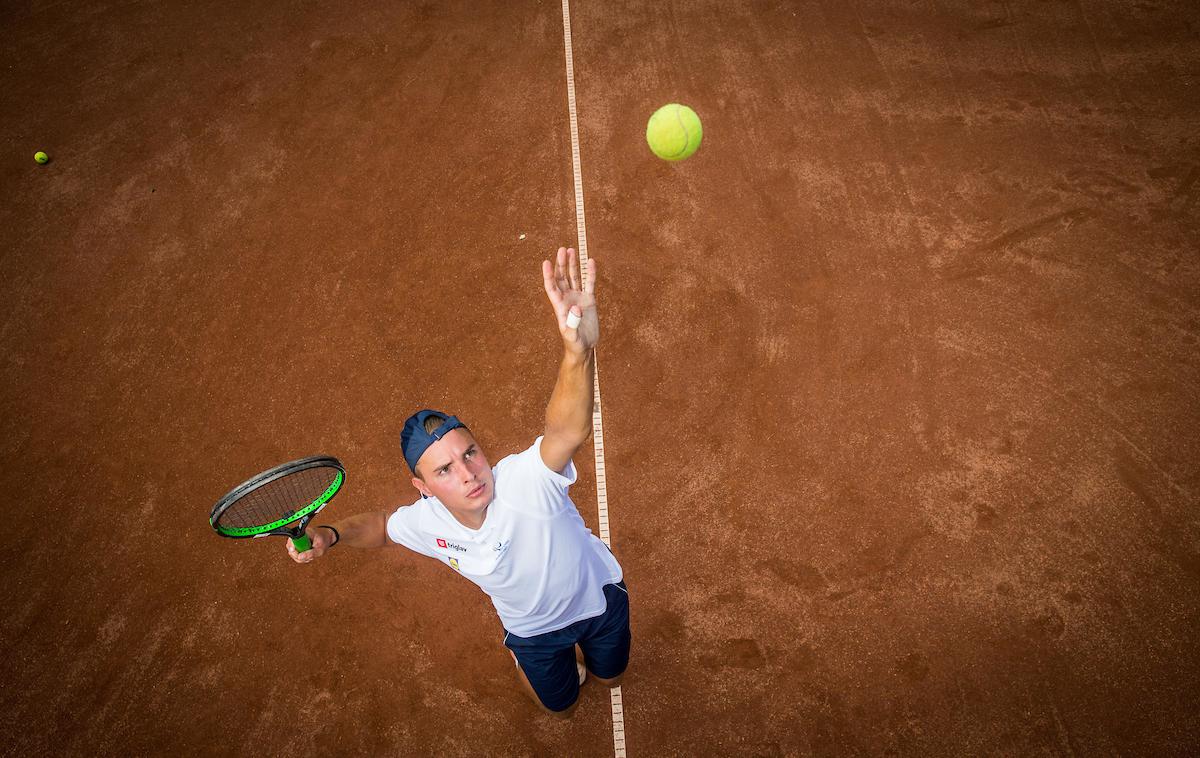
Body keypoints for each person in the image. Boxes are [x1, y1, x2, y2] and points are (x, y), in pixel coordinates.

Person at [287, 247, 628, 717]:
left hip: (598, 601)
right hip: (532, 631)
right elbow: (384, 527)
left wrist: (577, 350)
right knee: (561, 708)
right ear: (422, 486)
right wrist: (331, 534)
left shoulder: (525, 480)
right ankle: (525, 661)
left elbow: (566, 430)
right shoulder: (426, 522)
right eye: (444, 470)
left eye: (469, 453)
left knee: (611, 678)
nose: (469, 473)